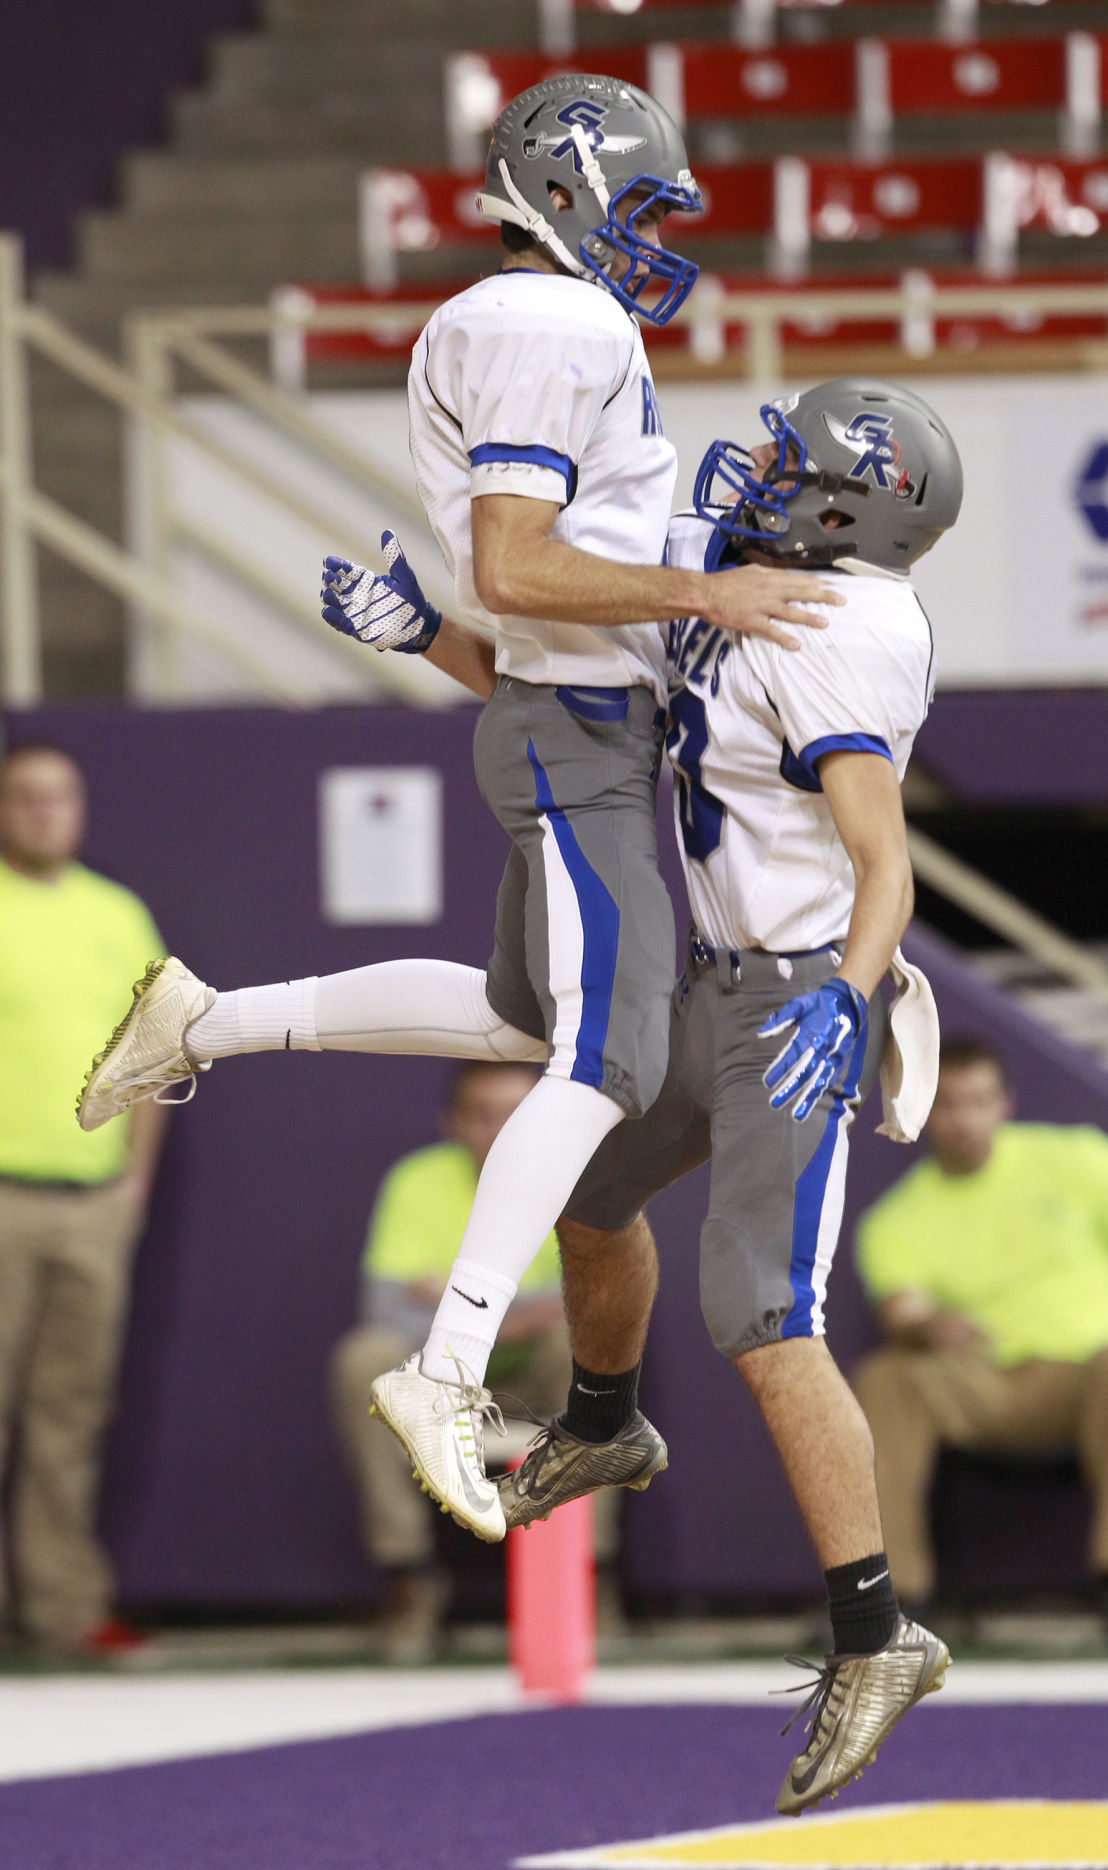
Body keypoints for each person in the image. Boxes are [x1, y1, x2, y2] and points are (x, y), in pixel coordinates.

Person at [76, 73, 837, 1544]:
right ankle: (446, 1367)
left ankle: (207, 1018)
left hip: (576, 723)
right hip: (576, 737)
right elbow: (520, 562)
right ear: (563, 192)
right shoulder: (553, 321)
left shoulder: (528, 322)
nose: (657, 237)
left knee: (517, 1016)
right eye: (641, 202)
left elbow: (523, 581)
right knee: (606, 1060)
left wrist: (636, 574)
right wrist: (704, 580)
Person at [317, 375, 964, 1814]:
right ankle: (606, 1416)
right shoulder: (741, 586)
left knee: (759, 1308)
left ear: (841, 510)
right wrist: (427, 631)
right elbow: (605, 710)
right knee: (593, 1183)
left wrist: (848, 997)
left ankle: (877, 1631)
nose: (760, 461)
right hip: (718, 977)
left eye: (792, 459)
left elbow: (885, 861)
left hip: (800, 990)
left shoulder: (839, 629)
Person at [331, 1058, 621, 1663]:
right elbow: (385, 1308)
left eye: (515, 1116)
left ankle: (587, 1575)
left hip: (537, 1371)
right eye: (482, 1116)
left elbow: (594, 1300)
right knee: (364, 1358)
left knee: (589, 1342)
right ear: (452, 1122)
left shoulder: (582, 1180)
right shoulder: (417, 1182)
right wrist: (511, 1311)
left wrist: (451, 1298)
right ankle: (406, 1576)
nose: (499, 1131)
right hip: (443, 1370)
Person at [0, 742, 167, 1653]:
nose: (42, 813)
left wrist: (133, 1182)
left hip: (95, 1204)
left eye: (58, 797)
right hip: (4, 1200)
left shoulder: (119, 916)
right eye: (24, 798)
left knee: (70, 1415)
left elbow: (155, 1054)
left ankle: (61, 1609)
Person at [853, 1037, 1108, 1618]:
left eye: (978, 1101)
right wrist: (928, 1325)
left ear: (1005, 1104)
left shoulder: (1078, 1159)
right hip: (981, 1380)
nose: (964, 1120)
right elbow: (902, 1309)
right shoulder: (899, 1218)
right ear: (921, 1111)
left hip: (1089, 1373)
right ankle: (890, 1596)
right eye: (947, 1104)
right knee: (886, 1378)